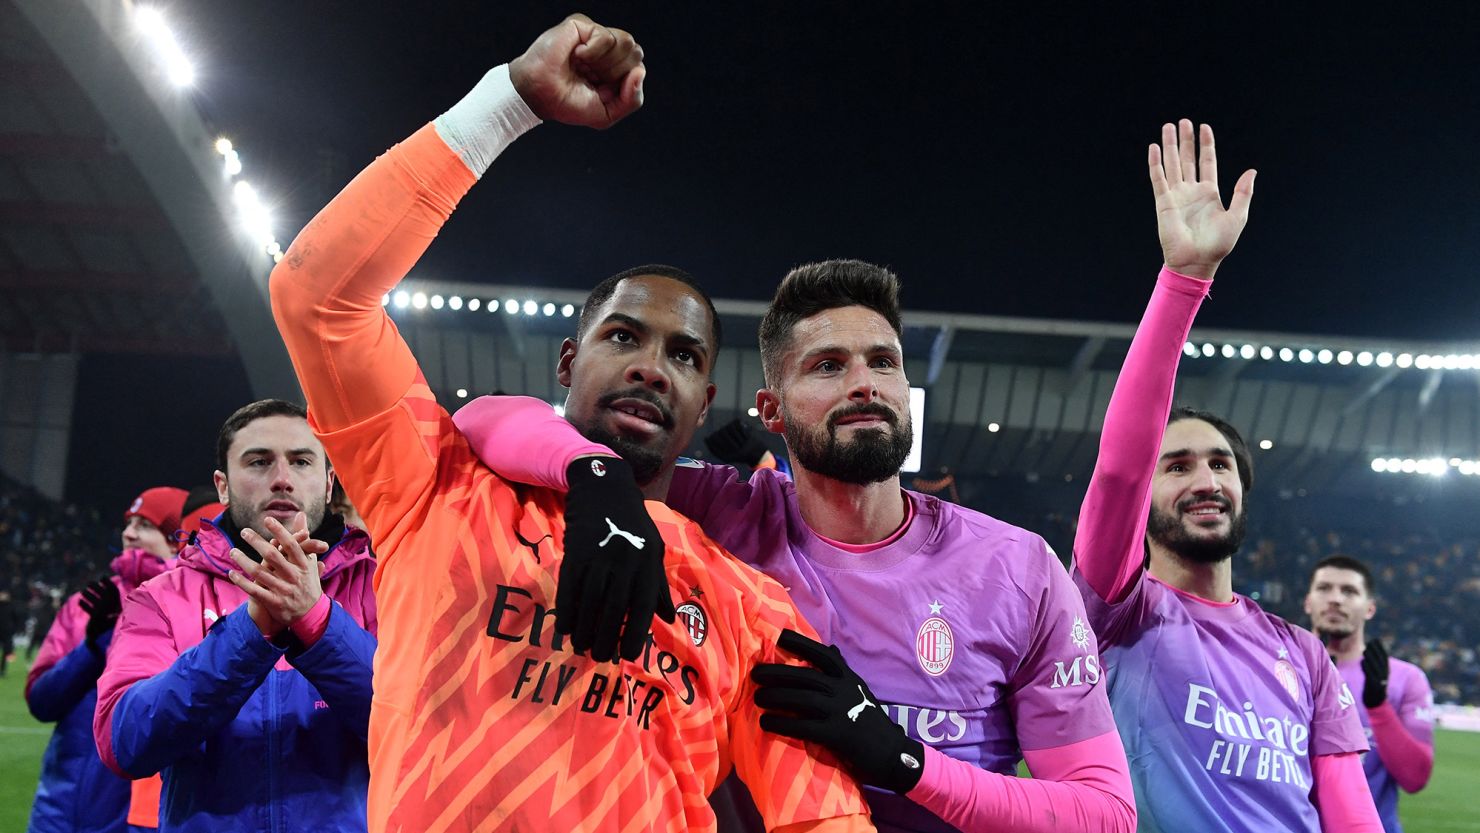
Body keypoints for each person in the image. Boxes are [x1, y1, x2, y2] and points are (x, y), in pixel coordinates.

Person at [268, 13, 873, 833]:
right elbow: (317, 297)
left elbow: (822, 821)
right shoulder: (437, 484)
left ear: (705, 401)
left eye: (685, 357)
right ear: (566, 362)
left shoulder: (749, 605)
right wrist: (509, 101)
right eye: (623, 336)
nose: (652, 366)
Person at [451, 191, 1134, 833]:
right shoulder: (710, 509)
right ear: (770, 408)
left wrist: (909, 764)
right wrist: (595, 474)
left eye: (883, 361)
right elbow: (486, 418)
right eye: (828, 366)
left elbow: (1104, 812)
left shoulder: (1018, 569)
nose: (864, 382)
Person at [1070, 119, 1380, 830]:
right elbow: (1119, 470)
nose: (1205, 477)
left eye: (1220, 463)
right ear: (1146, 502)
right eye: (1174, 465)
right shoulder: (1116, 608)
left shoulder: (1302, 654)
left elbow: (1350, 812)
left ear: (1243, 488)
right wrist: (1185, 281)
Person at [93, 401, 376, 833]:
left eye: (301, 461)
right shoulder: (160, 598)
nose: (282, 479)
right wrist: (250, 633)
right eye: (259, 462)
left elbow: (423, 727)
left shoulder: (385, 586)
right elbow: (123, 742)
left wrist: (317, 622)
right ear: (222, 487)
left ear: (327, 482)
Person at [26, 486, 186, 833]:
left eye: (145, 525)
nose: (128, 533)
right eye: (129, 523)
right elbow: (42, 702)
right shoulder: (85, 604)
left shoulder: (188, 607)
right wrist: (93, 648)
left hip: (140, 816)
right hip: (59, 807)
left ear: (176, 539)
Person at [1306, 556, 1435, 832]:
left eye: (1350, 591)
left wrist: (1378, 707)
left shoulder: (1404, 679)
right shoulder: (1277, 669)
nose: (1336, 599)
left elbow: (1415, 778)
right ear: (1308, 602)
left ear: (1370, 608)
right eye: (1324, 588)